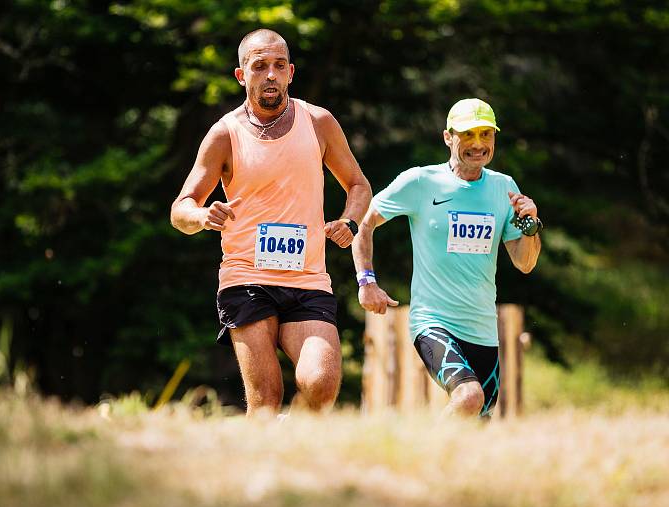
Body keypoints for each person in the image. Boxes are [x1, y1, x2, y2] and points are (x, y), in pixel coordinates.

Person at [170, 29, 372, 416]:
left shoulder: (318, 122)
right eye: (259, 66)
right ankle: (266, 463)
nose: (270, 75)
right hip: (246, 277)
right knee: (265, 399)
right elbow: (181, 208)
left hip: (307, 278)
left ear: (291, 72)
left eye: (279, 66)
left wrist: (349, 220)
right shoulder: (224, 134)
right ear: (241, 75)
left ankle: (292, 442)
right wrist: (201, 214)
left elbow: (359, 184)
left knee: (322, 383)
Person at [352, 98, 542, 418]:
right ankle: (421, 459)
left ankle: (434, 464)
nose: (478, 144)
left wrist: (530, 225)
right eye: (468, 135)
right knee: (468, 396)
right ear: (448, 137)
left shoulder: (504, 187)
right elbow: (364, 225)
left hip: (482, 328)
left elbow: (525, 263)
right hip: (433, 321)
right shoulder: (421, 182)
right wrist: (366, 281)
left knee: (474, 423)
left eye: (486, 135)